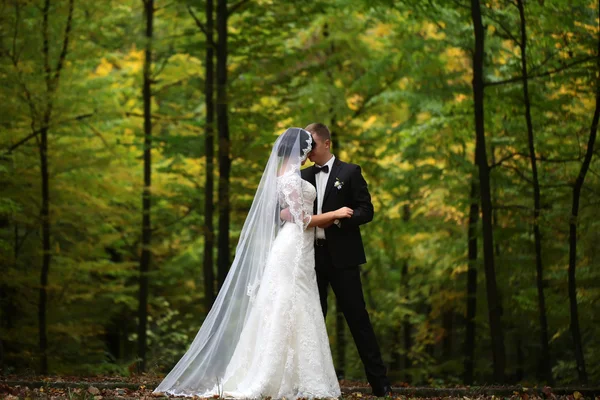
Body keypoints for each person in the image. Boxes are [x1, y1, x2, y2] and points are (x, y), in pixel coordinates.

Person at [153, 128, 353, 399]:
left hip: (297, 246)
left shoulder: (282, 175)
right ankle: (281, 376)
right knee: (292, 302)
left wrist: (296, 214)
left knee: (294, 304)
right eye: (307, 149)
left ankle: (295, 375)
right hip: (293, 248)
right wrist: (336, 213)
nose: (309, 155)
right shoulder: (292, 178)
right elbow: (304, 220)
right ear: (300, 151)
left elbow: (285, 212)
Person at [300, 122, 392, 397]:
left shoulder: (350, 172)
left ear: (327, 143)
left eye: (312, 144)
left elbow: (367, 210)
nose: (308, 149)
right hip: (309, 257)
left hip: (344, 258)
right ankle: (314, 384)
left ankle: (380, 383)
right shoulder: (301, 176)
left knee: (358, 319)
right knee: (313, 321)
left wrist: (342, 218)